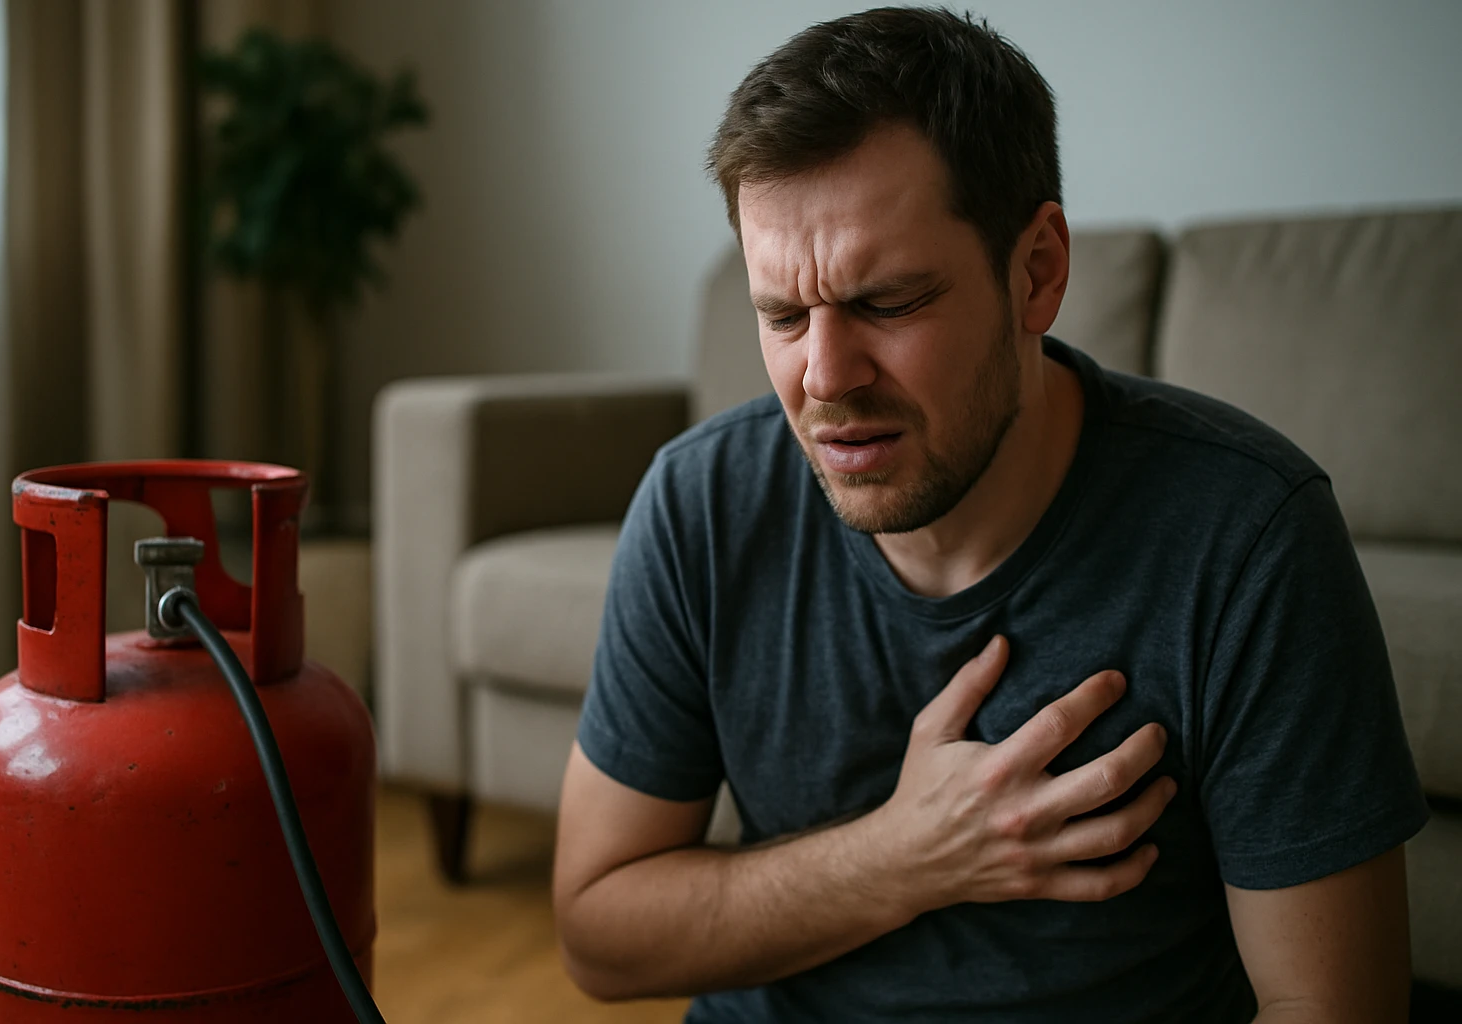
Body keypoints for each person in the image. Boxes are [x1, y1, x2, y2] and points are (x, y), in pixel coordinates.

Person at [552, 7, 1427, 1022]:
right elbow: (598, 934)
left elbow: (1332, 1006)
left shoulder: (1247, 537)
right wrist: (905, 856)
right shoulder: (700, 504)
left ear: (1037, 272)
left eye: (887, 301)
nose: (822, 378)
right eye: (782, 315)